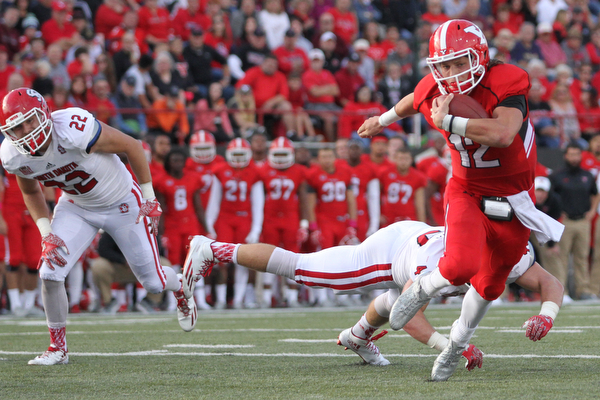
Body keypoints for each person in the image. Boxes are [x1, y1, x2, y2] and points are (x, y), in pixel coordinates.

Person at [356, 19, 564, 381]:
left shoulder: (507, 79)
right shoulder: (434, 87)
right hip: (468, 190)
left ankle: (455, 345)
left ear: (480, 56)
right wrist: (383, 119)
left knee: (489, 286)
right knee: (458, 265)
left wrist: (450, 121)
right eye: (443, 66)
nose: (450, 74)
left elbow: (502, 133)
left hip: (515, 199)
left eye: (458, 63)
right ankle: (421, 288)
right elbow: (412, 100)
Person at [180, 221, 563, 366]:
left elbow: (550, 283)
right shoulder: (438, 264)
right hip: (393, 252)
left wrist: (547, 314)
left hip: (414, 240)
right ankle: (213, 249)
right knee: (304, 269)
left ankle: (357, 336)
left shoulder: (511, 255)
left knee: (396, 298)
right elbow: (408, 316)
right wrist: (454, 347)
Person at [0, 88, 197, 365]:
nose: (26, 131)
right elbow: (31, 191)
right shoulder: (13, 154)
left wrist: (149, 199)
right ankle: (58, 348)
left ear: (44, 112)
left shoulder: (72, 128)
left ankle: (180, 284)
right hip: (77, 206)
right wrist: (47, 234)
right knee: (50, 271)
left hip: (122, 202)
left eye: (30, 121)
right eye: (17, 127)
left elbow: (132, 146)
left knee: (153, 282)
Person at [204, 138, 264, 309]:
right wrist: (210, 224)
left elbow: (258, 204)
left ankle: (238, 299)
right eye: (235, 154)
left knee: (243, 261)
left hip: (244, 218)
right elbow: (214, 202)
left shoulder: (254, 172)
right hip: (225, 219)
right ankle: (222, 300)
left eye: (241, 154)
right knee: (222, 261)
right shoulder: (220, 170)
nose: (238, 158)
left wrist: (255, 229)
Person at [549, 143, 599, 300]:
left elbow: (595, 193)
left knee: (582, 257)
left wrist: (592, 211)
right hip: (565, 221)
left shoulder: (587, 175)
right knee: (561, 257)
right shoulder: (557, 176)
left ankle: (582, 290)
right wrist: (557, 213)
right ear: (565, 156)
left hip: (583, 220)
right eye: (571, 154)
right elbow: (549, 197)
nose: (574, 158)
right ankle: (562, 291)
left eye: (577, 154)